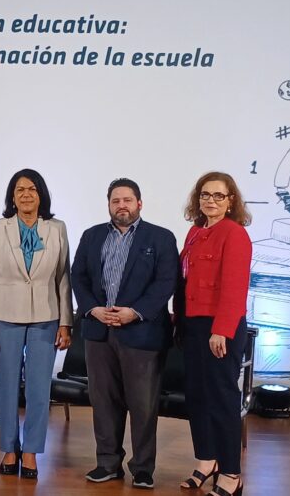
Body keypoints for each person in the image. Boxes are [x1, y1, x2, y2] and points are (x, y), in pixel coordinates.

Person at [71, 178, 179, 489]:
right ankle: (107, 464)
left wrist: (135, 311)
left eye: (128, 200)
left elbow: (166, 282)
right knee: (104, 402)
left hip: (142, 333)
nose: (122, 205)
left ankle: (143, 468)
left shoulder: (160, 238)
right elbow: (78, 276)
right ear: (109, 205)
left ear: (139, 204)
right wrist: (92, 309)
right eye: (116, 200)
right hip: (99, 331)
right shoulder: (92, 236)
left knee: (143, 405)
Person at [0, 168, 73, 480]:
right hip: (4, 316)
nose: (26, 195)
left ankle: (30, 450)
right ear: (12, 197)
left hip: (47, 317)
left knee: (38, 388)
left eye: (32, 189)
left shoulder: (56, 228)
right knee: (5, 387)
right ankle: (8, 446)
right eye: (20, 190)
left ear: (41, 194)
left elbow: (63, 278)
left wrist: (66, 322)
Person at [174, 171, 252, 496]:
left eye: (219, 196)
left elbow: (235, 289)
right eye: (205, 195)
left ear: (230, 200)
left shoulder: (234, 234)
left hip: (220, 328)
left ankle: (231, 473)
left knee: (221, 400)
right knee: (197, 397)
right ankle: (207, 461)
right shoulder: (195, 232)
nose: (211, 201)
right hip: (192, 326)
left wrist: (221, 330)